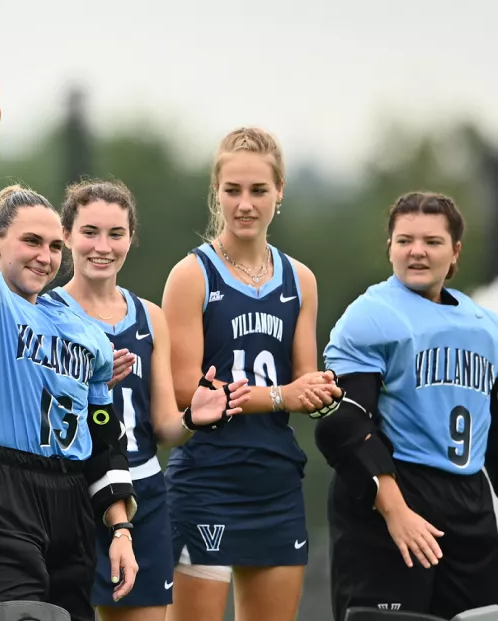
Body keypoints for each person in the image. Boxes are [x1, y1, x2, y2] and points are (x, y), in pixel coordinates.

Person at [0, 78, 243, 621]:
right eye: (30, 241)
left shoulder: (82, 330)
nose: (45, 256)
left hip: (69, 505)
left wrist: (119, 528)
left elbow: (102, 436)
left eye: (52, 246)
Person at [46, 179, 251, 621]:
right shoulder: (46, 313)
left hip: (144, 495)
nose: (103, 246)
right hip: (71, 496)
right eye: (90, 232)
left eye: (116, 234)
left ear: (131, 238)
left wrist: (194, 418)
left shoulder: (149, 316)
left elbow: (163, 428)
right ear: (66, 235)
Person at [161, 127, 343, 621]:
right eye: (233, 190)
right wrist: (283, 395)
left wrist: (322, 392)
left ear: (279, 191)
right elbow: (185, 389)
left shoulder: (300, 279)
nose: (245, 204)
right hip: (207, 480)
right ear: (216, 192)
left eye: (259, 190)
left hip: (275, 481)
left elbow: (304, 380)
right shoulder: (191, 275)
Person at [317, 191, 498, 621]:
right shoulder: (371, 315)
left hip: (469, 499)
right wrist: (395, 511)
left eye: (432, 241)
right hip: (393, 490)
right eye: (405, 240)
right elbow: (344, 426)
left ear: (454, 252)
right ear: (390, 248)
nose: (417, 251)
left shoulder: (485, 325)